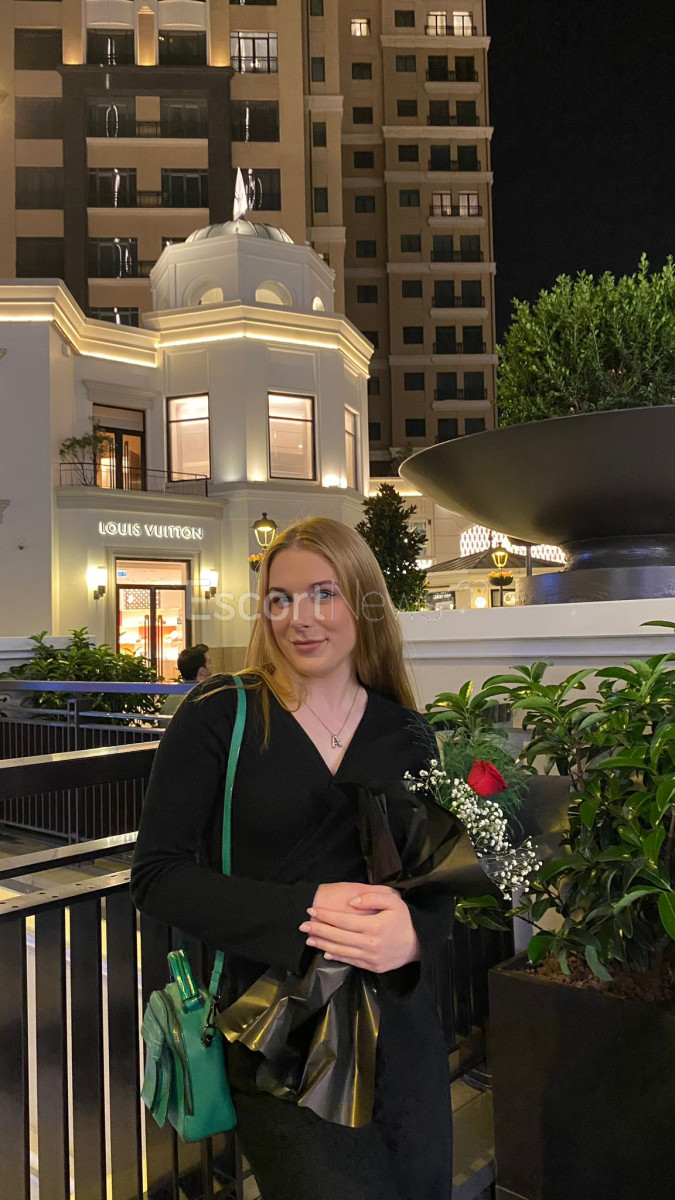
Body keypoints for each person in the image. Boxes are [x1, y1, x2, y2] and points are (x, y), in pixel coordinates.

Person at [131, 517, 457, 1200]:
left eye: (322, 594)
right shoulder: (222, 713)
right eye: (280, 599)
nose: (298, 618)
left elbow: (431, 881)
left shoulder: (405, 730)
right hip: (276, 1038)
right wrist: (306, 910)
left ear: (364, 602)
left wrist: (415, 933)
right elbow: (157, 877)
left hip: (403, 1035)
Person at [160, 643, 212, 715]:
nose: (212, 666)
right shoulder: (205, 698)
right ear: (202, 671)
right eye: (209, 663)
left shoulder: (172, 697)